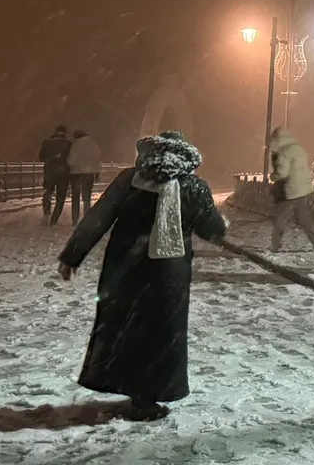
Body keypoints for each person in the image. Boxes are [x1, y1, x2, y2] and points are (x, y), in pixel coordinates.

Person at [57, 130, 227, 421]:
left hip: (125, 267)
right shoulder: (193, 186)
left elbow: (99, 217)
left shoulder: (129, 180)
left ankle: (127, 386)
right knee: (161, 333)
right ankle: (146, 399)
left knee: (126, 328)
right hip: (167, 273)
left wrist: (72, 255)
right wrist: (221, 226)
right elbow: (211, 229)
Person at [268, 127, 314, 253]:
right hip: (302, 188)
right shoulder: (297, 147)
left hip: (291, 189)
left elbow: (282, 173)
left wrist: (273, 176)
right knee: (304, 219)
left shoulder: (283, 151)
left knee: (280, 219)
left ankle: (275, 246)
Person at [66, 129, 103, 225]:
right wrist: (97, 173)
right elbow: (97, 160)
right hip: (89, 174)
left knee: (75, 197)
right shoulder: (94, 145)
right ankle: (86, 218)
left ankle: (75, 219)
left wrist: (69, 164)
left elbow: (71, 161)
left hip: (76, 174)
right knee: (86, 197)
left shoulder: (75, 146)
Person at [39, 125, 72, 225]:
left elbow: (41, 157)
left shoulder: (47, 143)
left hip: (49, 172)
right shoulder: (69, 144)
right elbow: (71, 159)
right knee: (60, 197)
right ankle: (54, 219)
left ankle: (46, 214)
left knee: (48, 192)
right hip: (63, 174)